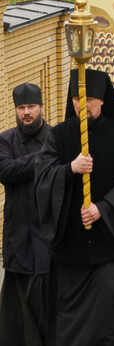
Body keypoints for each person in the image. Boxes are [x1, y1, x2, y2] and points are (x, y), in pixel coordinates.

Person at [35, 69, 114, 345]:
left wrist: (103, 209)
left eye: (89, 99)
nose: (81, 105)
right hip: (70, 251)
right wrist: (69, 169)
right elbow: (42, 179)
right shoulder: (59, 136)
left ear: (102, 100)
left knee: (108, 325)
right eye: (76, 98)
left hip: (108, 249)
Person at [0, 83, 52, 345]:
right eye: (21, 108)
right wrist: (43, 159)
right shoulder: (5, 140)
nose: (27, 112)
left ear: (41, 107)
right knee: (18, 316)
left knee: (46, 307)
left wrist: (30, 164)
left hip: (48, 237)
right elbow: (5, 170)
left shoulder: (55, 137)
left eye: (31, 106)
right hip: (19, 237)